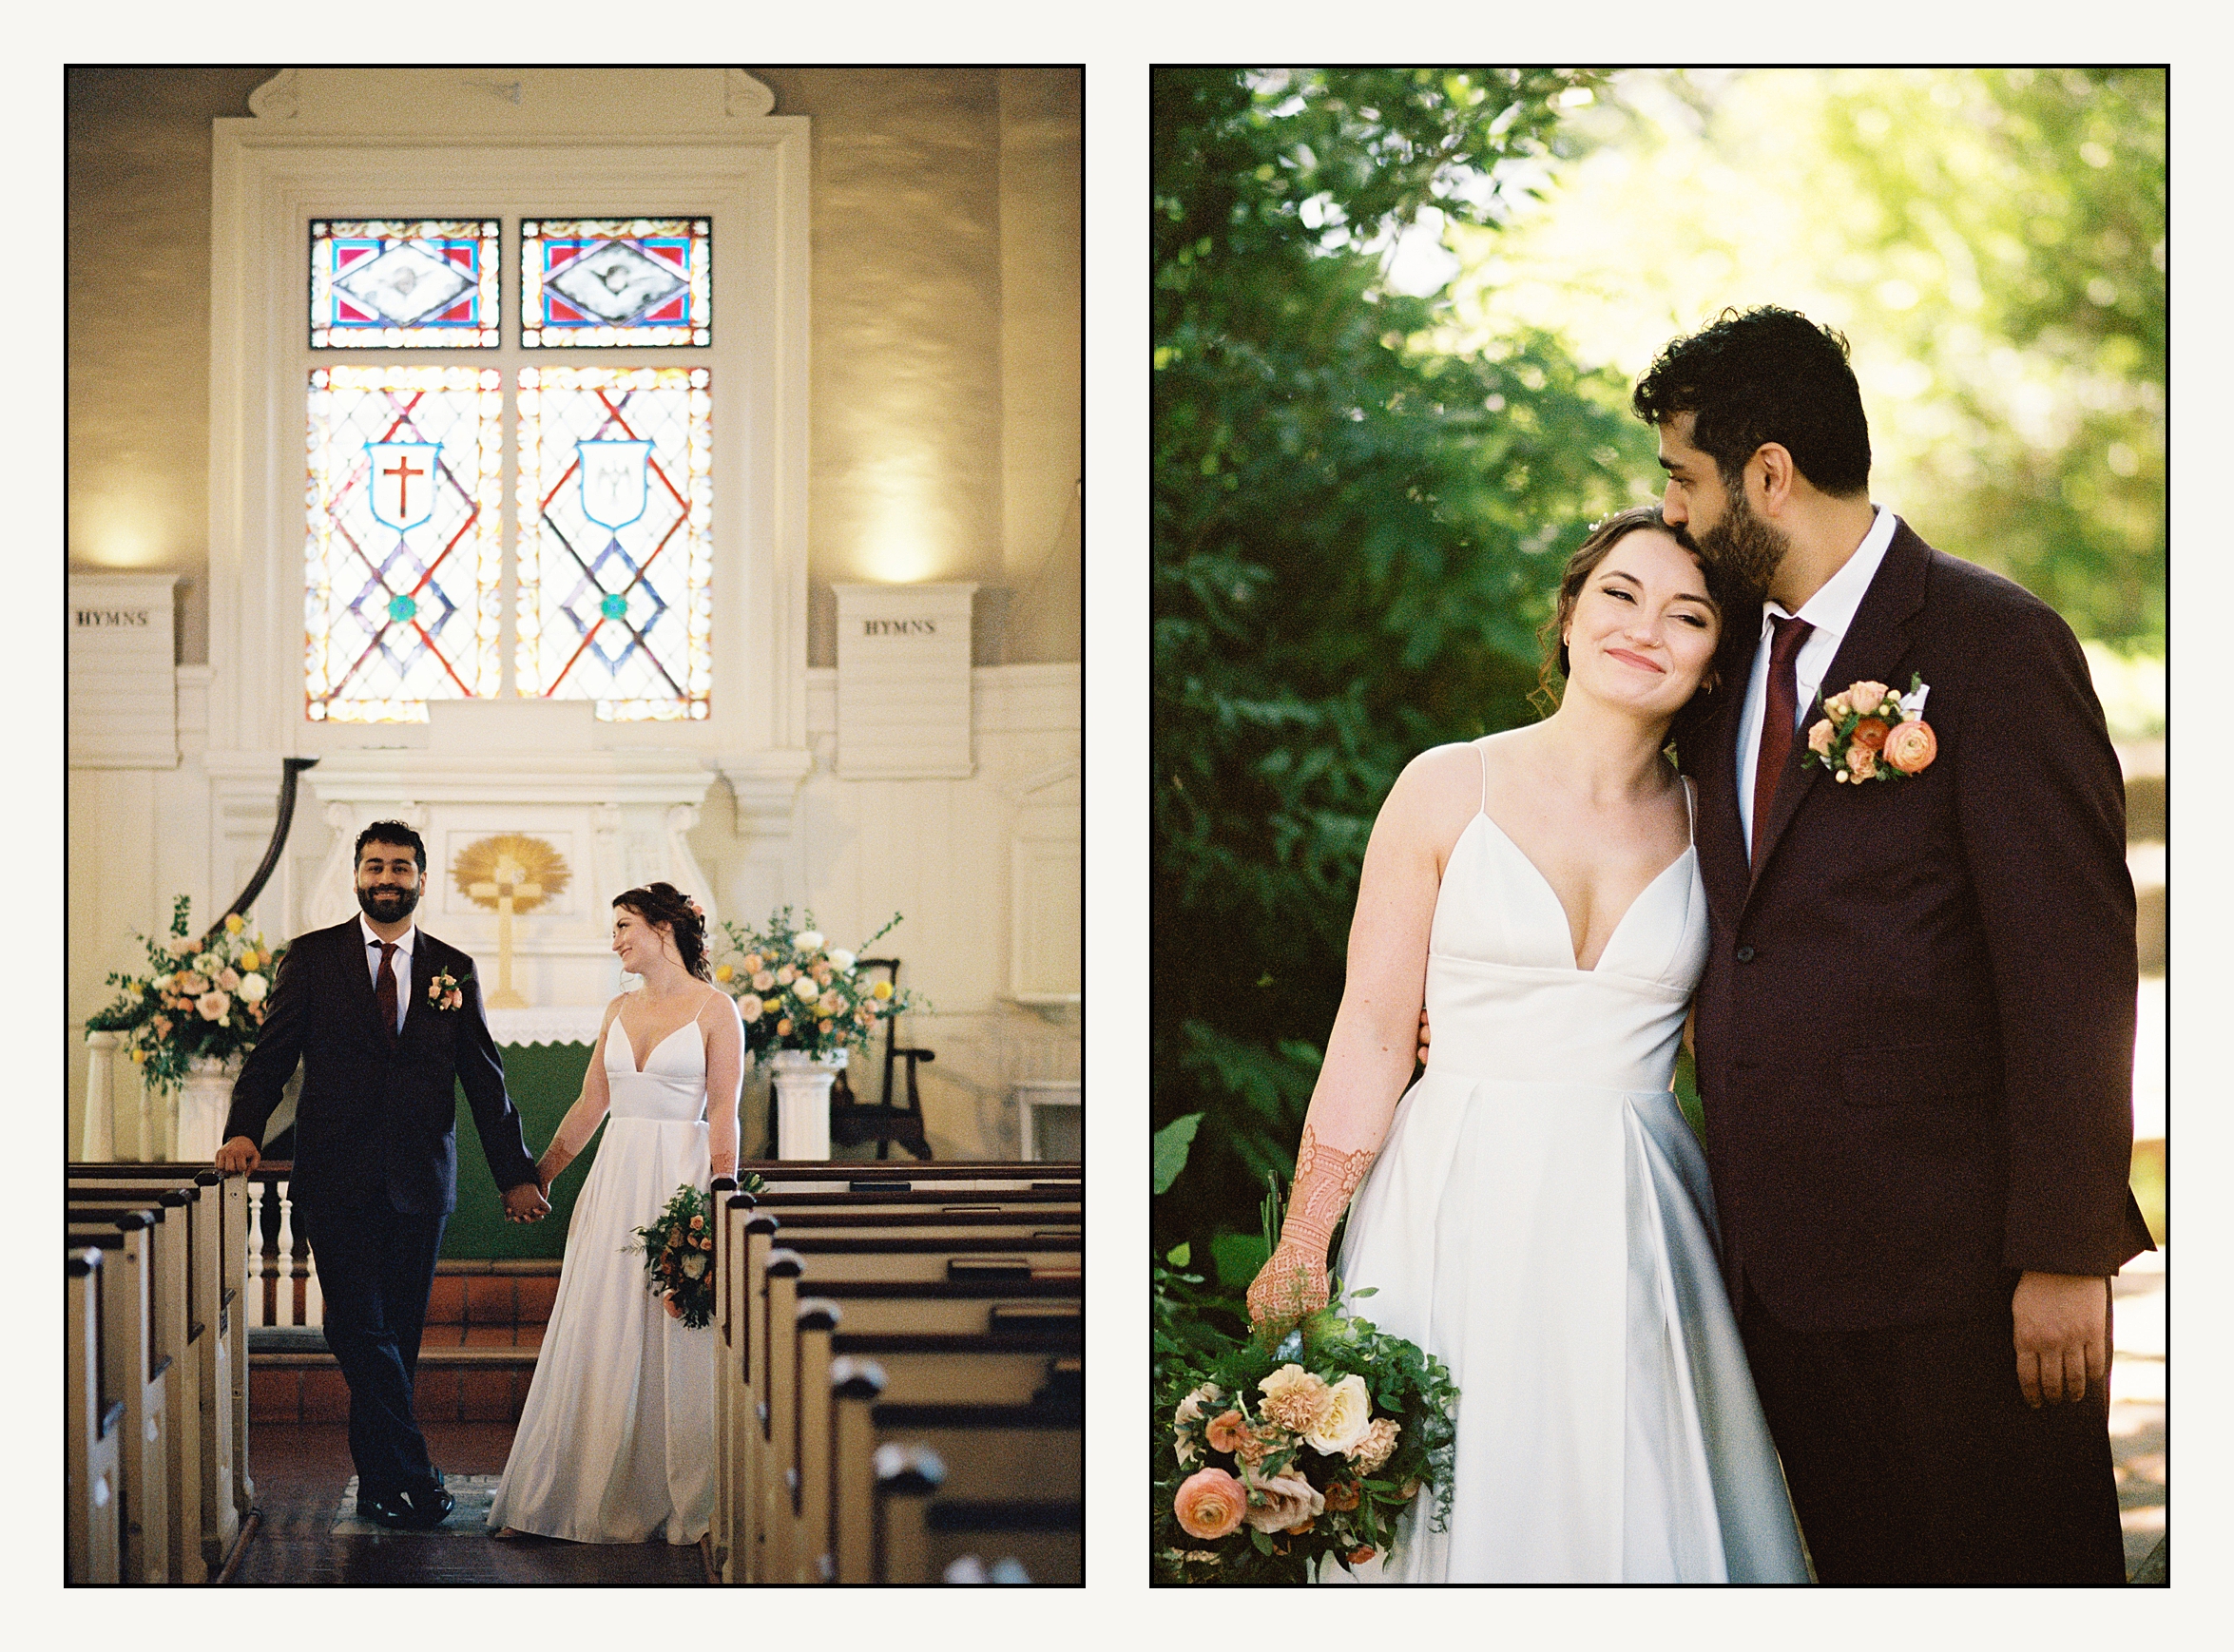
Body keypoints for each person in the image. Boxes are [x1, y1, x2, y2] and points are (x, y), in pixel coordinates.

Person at [1634, 305, 2151, 1585]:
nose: (1676, 517)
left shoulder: (1992, 644)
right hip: (1773, 1268)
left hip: (1959, 1278)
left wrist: (2063, 1249)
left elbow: (2070, 969)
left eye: (1683, 480)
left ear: (1767, 473)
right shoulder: (1720, 660)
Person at [1246, 507, 1809, 1584]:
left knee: (1632, 1485)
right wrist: (1304, 1238)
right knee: (1450, 1480)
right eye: (1619, 595)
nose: (1644, 628)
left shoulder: (1721, 824)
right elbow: (1372, 1027)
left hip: (1638, 1207)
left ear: (1713, 659)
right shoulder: (1445, 785)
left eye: (1687, 615)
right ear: (1567, 615)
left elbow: (1743, 1037)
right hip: (1454, 1191)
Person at [217, 821, 550, 1532]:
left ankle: (379, 1486)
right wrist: (243, 1129)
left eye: (401, 866)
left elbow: (484, 1079)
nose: (387, 877)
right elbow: (271, 1056)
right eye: (375, 866)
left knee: (395, 1336)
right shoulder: (310, 959)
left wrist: (514, 1173)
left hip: (420, 1180)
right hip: (334, 1173)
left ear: (422, 879)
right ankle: (417, 1472)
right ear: (358, 876)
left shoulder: (451, 967)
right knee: (356, 1328)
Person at [487, 882, 744, 1545]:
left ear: (663, 929)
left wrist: (719, 1201)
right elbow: (589, 1104)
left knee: (675, 1331)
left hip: (680, 1180)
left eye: (625, 926)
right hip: (617, 1179)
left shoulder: (717, 1012)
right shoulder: (617, 1009)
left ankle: (679, 1494)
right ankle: (570, 1489)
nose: (615, 941)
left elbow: (723, 1114)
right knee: (600, 1319)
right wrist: (537, 1174)